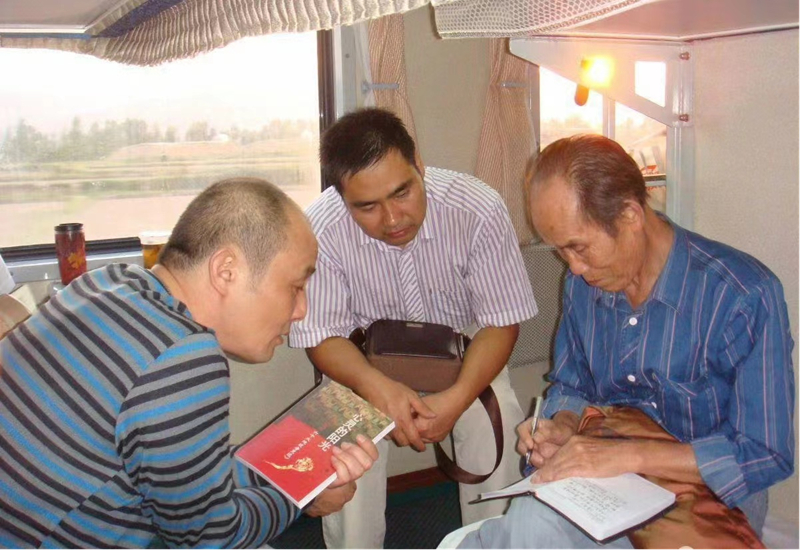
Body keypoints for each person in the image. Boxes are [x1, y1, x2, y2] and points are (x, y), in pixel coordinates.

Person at [0, 177, 379, 548]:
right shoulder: (181, 356)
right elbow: (210, 538)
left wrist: (289, 467)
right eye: (295, 287)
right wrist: (301, 497)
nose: (301, 310)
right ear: (226, 270)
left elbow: (180, 471)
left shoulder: (106, 283)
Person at [458, 134, 795, 548]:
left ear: (630, 215)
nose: (574, 269)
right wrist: (563, 425)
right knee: (529, 526)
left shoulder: (741, 295)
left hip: (708, 495)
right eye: (561, 252)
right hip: (606, 480)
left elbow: (766, 453)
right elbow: (572, 385)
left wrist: (632, 454)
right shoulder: (585, 285)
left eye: (579, 248)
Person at [289, 108, 538, 548]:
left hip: (464, 353)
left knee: (495, 416)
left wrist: (457, 400)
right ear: (341, 197)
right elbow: (322, 337)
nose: (392, 219)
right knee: (342, 441)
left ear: (419, 165)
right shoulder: (320, 229)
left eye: (401, 192)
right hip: (363, 362)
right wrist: (379, 389)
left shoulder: (478, 209)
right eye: (367, 206)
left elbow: (501, 322)